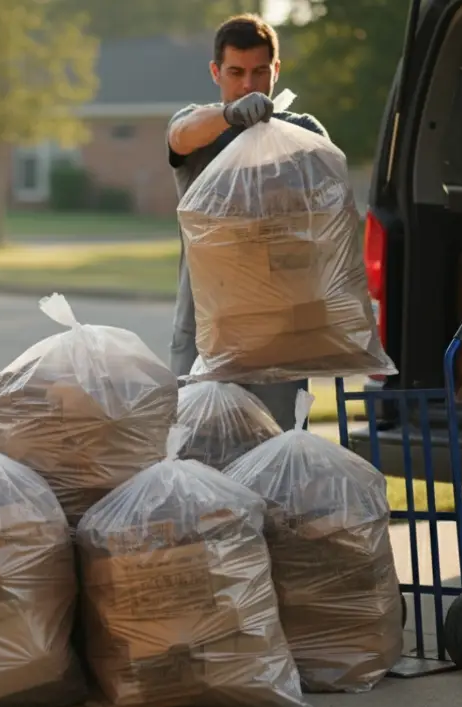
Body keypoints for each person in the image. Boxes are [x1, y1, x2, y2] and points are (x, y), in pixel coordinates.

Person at [167, 13, 329, 429]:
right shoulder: (201, 127)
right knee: (197, 451)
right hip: (206, 330)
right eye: (236, 72)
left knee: (275, 455)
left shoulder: (302, 131)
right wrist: (231, 115)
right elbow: (179, 136)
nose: (248, 85)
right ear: (215, 72)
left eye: (259, 72)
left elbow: (327, 202)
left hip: (280, 335)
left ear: (276, 70)